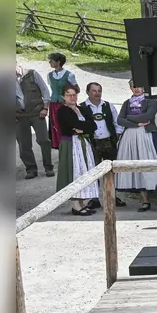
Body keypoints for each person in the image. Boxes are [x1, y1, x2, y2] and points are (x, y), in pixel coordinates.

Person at [116, 82, 157, 212]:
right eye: (133, 86)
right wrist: (137, 123)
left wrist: (129, 117)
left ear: (143, 87)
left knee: (155, 165)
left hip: (147, 135)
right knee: (138, 167)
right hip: (131, 137)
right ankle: (144, 200)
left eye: (138, 86)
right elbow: (119, 120)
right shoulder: (127, 103)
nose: (136, 88)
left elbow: (148, 116)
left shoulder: (150, 101)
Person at [53, 84, 99, 216]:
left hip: (83, 142)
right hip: (71, 144)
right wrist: (81, 127)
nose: (72, 97)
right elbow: (73, 125)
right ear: (63, 96)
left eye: (74, 94)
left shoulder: (82, 109)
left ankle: (82, 203)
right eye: (69, 95)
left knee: (84, 170)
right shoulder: (63, 110)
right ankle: (75, 205)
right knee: (74, 171)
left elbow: (93, 125)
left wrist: (82, 128)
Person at [81, 83, 122, 204]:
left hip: (109, 141)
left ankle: (112, 196)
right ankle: (94, 198)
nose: (97, 93)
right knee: (94, 170)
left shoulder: (108, 106)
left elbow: (117, 122)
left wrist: (117, 135)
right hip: (93, 143)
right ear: (87, 92)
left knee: (111, 170)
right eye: (94, 91)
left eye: (99, 90)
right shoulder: (82, 107)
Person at [15, 64, 53, 179]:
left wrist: (45, 108)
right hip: (19, 116)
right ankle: (31, 169)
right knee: (24, 144)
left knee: (44, 140)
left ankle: (48, 167)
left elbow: (45, 91)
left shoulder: (32, 74)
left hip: (37, 113)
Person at [45, 52, 77, 149]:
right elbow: (52, 87)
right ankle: (58, 144)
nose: (49, 62)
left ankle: (68, 144)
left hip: (65, 104)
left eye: (52, 61)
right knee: (55, 124)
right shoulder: (50, 75)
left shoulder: (69, 75)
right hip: (54, 103)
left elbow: (76, 88)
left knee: (66, 124)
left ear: (58, 62)